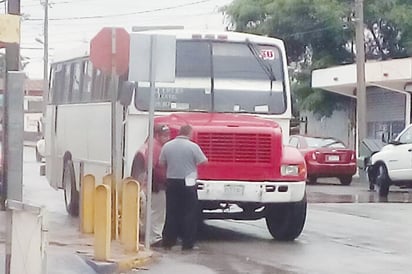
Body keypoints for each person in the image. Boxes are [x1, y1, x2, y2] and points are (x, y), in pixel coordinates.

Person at [159, 124, 208, 251]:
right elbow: (203, 161)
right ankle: (188, 243)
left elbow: (161, 162)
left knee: (171, 212)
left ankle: (168, 241)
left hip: (172, 181)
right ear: (189, 133)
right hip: (188, 182)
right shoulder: (193, 146)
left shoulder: (167, 146)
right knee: (189, 213)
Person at [131, 124, 170, 246]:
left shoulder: (151, 146)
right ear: (157, 135)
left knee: (153, 211)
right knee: (157, 213)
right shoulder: (156, 148)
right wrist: (160, 181)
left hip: (153, 185)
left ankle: (150, 236)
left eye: (168, 135)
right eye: (164, 135)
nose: (167, 138)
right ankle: (155, 239)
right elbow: (153, 167)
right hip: (157, 186)